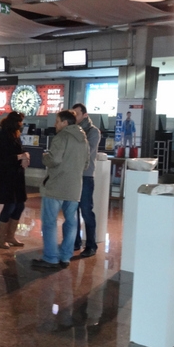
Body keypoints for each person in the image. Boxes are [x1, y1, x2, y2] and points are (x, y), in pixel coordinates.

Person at [32, 109, 89, 270]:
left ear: (65, 122)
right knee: (71, 222)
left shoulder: (62, 137)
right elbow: (86, 164)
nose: (55, 125)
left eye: (57, 121)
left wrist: (45, 157)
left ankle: (51, 258)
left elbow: (54, 159)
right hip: (74, 187)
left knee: (49, 222)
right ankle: (65, 256)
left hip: (56, 185)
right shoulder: (83, 139)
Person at [0, 111, 30, 249]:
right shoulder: (2, 136)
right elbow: (3, 158)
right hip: (7, 176)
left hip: (17, 175)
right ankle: (1, 239)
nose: (21, 125)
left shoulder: (15, 135)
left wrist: (25, 156)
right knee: (10, 206)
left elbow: (20, 151)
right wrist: (20, 157)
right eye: (20, 122)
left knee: (20, 205)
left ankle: (10, 236)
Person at [71, 103, 101, 258]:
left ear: (85, 115)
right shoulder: (71, 130)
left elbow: (86, 151)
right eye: (72, 113)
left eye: (77, 114)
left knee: (86, 210)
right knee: (72, 210)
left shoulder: (93, 131)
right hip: (72, 175)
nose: (74, 116)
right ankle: (75, 242)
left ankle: (91, 245)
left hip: (86, 176)